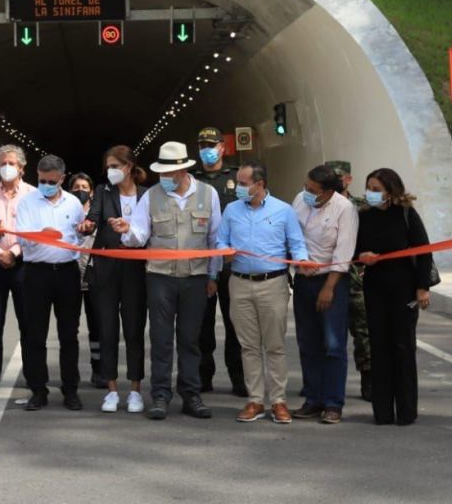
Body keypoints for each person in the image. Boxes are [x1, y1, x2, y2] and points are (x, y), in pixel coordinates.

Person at [114, 141, 220, 421]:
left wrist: (212, 276)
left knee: (190, 339)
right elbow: (139, 234)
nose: (165, 179)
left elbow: (215, 240)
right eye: (162, 173)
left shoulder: (208, 195)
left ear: (184, 171)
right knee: (160, 340)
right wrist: (127, 231)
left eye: (169, 173)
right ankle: (160, 396)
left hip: (195, 278)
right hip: (160, 277)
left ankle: (191, 394)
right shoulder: (150, 197)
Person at [217, 162, 309, 424]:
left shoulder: (284, 210)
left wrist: (303, 262)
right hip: (240, 282)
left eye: (244, 183)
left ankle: (278, 401)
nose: (238, 188)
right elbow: (221, 240)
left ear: (260, 184)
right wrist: (225, 252)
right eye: (238, 182)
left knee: (275, 346)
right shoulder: (231, 210)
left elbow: (296, 243)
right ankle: (255, 400)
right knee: (248, 346)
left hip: (273, 283)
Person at [355, 168, 435, 426]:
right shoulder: (364, 217)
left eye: (377, 189)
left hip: (403, 288)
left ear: (390, 191)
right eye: (369, 188)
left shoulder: (406, 214)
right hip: (375, 288)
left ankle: (406, 410)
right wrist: (362, 256)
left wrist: (423, 287)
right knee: (379, 347)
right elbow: (354, 249)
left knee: (403, 347)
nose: (371, 194)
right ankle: (382, 411)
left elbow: (424, 251)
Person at [78, 145, 148, 413]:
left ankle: (135, 390)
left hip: (136, 271)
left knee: (134, 330)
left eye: (115, 166)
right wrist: (87, 225)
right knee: (107, 330)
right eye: (108, 167)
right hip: (106, 269)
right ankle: (111, 390)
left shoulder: (145, 195)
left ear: (128, 167)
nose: (110, 171)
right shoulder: (104, 191)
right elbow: (93, 217)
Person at [16, 154, 85, 412]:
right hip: (37, 273)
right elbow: (23, 238)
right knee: (35, 334)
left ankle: (71, 389)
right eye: (42, 180)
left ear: (62, 179)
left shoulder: (73, 203)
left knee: (69, 334)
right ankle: (38, 389)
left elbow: (77, 237)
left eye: (51, 181)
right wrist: (41, 237)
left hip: (66, 273)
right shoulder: (27, 203)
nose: (46, 184)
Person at [290, 165, 358, 425]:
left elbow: (344, 252)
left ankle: (332, 403)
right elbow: (293, 236)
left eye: (312, 190)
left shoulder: (344, 209)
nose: (306, 192)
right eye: (305, 186)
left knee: (332, 344)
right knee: (308, 343)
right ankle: (313, 399)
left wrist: (329, 287)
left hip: (330, 282)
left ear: (328, 192)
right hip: (303, 280)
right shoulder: (300, 200)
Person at [193, 126, 247, 397]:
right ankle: (204, 376)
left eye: (212, 144)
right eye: (202, 145)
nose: (207, 149)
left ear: (223, 148)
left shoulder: (236, 177)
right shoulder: (191, 179)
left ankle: (239, 378)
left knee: (234, 324)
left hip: (230, 264)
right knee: (202, 326)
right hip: (201, 263)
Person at [0, 144, 36, 390]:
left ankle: (31, 371)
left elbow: (35, 232)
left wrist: (14, 253)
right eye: (3, 163)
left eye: (12, 163)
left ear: (22, 168)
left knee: (27, 321)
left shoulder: (33, 195)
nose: (7, 167)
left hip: (23, 264)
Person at [326, 159, 372, 402]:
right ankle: (328, 384)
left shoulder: (363, 207)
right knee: (329, 335)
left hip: (356, 279)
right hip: (328, 278)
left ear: (348, 179)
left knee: (363, 331)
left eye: (337, 177)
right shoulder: (320, 205)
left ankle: (368, 378)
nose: (333, 182)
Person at [68, 172, 105, 388]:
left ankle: (98, 370)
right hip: (71, 276)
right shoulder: (66, 211)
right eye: (75, 187)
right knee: (71, 327)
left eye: (84, 186)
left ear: (91, 191)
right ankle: (71, 372)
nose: (80, 190)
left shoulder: (97, 213)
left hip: (94, 277)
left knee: (97, 326)